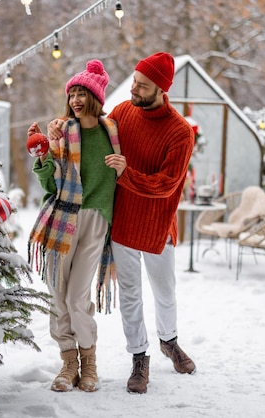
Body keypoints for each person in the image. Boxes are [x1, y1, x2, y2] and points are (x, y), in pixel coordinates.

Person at [48, 51, 196, 394]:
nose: (133, 89)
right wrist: (59, 124)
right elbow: (90, 128)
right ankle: (139, 358)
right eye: (134, 81)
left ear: (161, 89)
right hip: (125, 223)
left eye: (142, 86)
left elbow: (168, 184)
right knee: (130, 295)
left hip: (158, 226)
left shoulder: (180, 132)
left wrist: (127, 173)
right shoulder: (123, 113)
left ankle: (169, 340)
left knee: (165, 292)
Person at [27, 59, 121, 393]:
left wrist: (123, 168)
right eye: (72, 94)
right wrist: (41, 157)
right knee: (57, 294)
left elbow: (123, 176)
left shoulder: (114, 134)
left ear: (95, 98)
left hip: (96, 219)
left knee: (79, 296)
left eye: (82, 93)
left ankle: (90, 364)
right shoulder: (63, 133)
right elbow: (50, 185)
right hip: (62, 218)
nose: (76, 100)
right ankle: (69, 365)